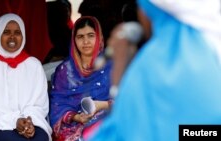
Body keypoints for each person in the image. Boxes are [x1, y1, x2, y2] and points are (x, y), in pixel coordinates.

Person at [89, 0, 221, 141]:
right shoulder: (212, 52)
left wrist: (118, 81)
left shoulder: (153, 65)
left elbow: (121, 132)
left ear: (152, 11)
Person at [0, 13, 52, 141]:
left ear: (23, 36)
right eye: (6, 32)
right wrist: (14, 121)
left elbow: (39, 104)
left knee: (41, 138)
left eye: (17, 32)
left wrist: (28, 122)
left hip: (31, 122)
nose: (12, 37)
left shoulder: (33, 65)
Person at [49, 16, 112, 141]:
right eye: (80, 37)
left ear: (99, 37)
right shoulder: (65, 71)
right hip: (74, 124)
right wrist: (77, 117)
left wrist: (102, 105)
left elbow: (127, 100)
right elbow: (57, 104)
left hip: (107, 119)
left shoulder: (113, 66)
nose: (86, 41)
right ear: (74, 40)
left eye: (91, 35)